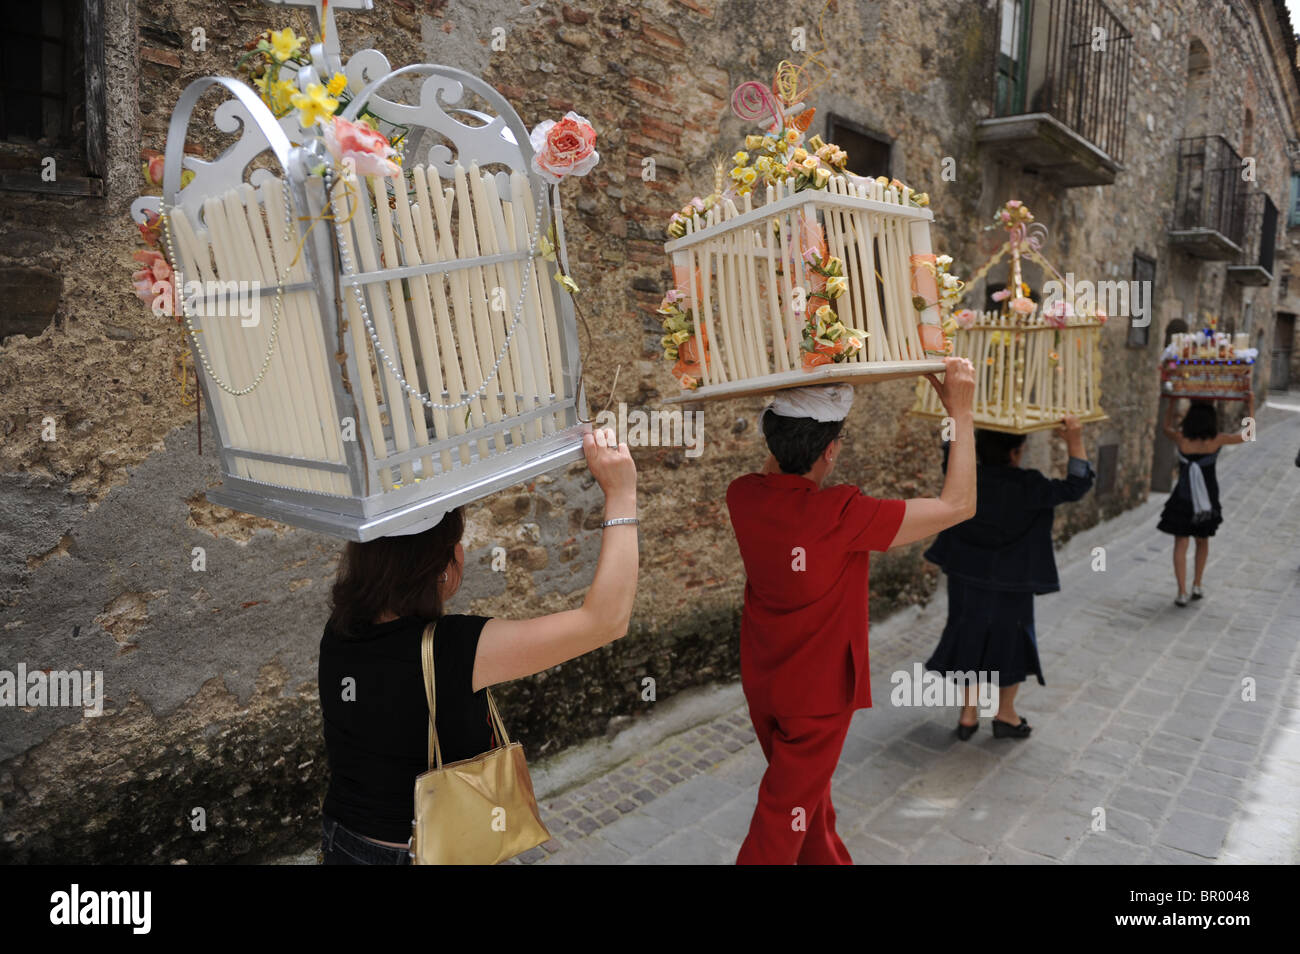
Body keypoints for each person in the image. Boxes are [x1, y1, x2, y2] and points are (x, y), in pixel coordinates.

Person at [317, 427, 637, 864]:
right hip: (424, 853)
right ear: (441, 563)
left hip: (343, 843)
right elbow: (605, 621)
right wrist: (621, 494)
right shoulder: (456, 649)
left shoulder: (340, 629)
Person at [725, 356, 977, 865]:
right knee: (782, 816)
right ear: (833, 450)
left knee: (807, 806)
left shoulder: (743, 496)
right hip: (816, 701)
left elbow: (778, 473)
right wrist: (962, 414)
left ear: (771, 439)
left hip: (766, 684)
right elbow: (959, 506)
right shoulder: (842, 514)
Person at [923, 417, 1094, 741]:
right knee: (1011, 643)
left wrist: (951, 414)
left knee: (968, 635)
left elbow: (949, 448)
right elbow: (1077, 485)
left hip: (965, 573)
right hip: (1013, 580)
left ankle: (968, 714)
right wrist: (1074, 438)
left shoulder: (965, 478)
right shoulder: (1031, 485)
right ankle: (1005, 714)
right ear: (1016, 452)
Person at [1157, 395, 1253, 606]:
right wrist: (1250, 405)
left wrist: (1171, 403)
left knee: (1180, 542)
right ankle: (1197, 584)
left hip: (1182, 498)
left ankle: (1181, 591)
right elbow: (1248, 434)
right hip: (1207, 500)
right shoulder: (1216, 440)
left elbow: (1165, 428)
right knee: (1202, 541)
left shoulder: (1181, 439)